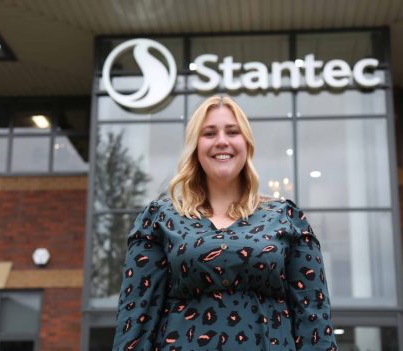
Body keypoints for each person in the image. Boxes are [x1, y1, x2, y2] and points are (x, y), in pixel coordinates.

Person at [112, 95, 338, 351]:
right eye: (209, 133)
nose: (222, 141)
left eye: (232, 132)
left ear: (247, 143)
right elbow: (136, 319)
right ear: (195, 146)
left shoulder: (286, 217)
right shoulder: (160, 219)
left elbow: (314, 319)